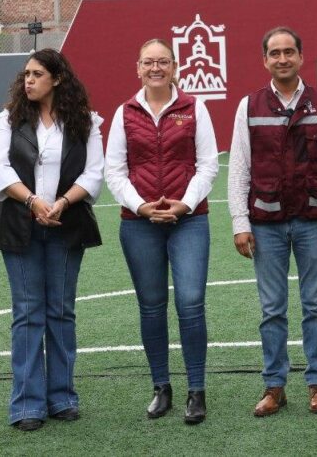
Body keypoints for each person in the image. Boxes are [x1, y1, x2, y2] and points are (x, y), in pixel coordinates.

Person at [228, 27, 317, 417]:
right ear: (264, 60)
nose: (282, 59)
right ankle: (274, 387)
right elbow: (238, 169)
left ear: (301, 57)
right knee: (272, 309)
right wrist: (239, 221)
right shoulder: (248, 105)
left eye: (289, 52)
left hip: (313, 219)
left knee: (316, 305)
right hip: (265, 221)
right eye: (275, 53)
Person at [0, 49, 105, 430]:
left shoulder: (86, 121)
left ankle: (62, 398)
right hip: (19, 227)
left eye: (37, 74)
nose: (28, 81)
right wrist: (35, 202)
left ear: (57, 79)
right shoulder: (9, 119)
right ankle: (26, 405)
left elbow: (94, 172)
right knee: (27, 313)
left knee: (61, 312)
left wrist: (62, 204)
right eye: (26, 74)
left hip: (67, 226)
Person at [105, 39, 219, 424]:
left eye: (163, 62)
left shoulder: (194, 108)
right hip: (139, 224)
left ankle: (196, 390)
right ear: (137, 67)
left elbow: (208, 166)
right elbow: (115, 172)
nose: (156, 68)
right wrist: (141, 206)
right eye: (148, 62)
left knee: (190, 304)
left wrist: (183, 204)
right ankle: (161, 387)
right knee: (151, 307)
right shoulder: (124, 113)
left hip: (190, 221)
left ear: (175, 67)